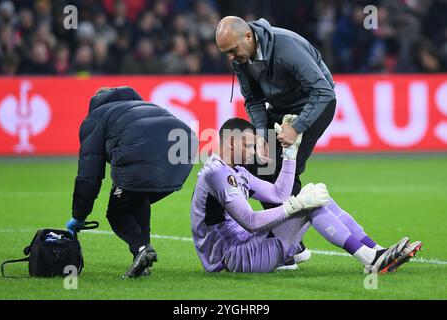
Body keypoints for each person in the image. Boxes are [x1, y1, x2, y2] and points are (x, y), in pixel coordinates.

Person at [191, 117, 422, 273]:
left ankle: (376, 251)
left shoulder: (236, 171)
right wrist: (295, 205)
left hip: (246, 248)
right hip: (232, 258)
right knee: (309, 204)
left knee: (319, 198)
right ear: (231, 142)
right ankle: (370, 260)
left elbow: (278, 193)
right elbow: (251, 221)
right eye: (249, 146)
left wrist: (290, 154)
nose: (253, 153)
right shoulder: (217, 173)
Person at [215, 15, 338, 267]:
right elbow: (254, 100)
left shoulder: (285, 47)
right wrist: (261, 135)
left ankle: (287, 244)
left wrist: (298, 128)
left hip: (314, 107)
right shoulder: (243, 58)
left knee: (284, 169)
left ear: (248, 37)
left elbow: (323, 91)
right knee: (257, 163)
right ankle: (291, 244)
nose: (230, 58)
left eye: (232, 51)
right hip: (281, 109)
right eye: (225, 53)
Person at [66, 86, 197, 278]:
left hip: (140, 153)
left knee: (118, 212)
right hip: (183, 151)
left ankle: (142, 249)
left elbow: (89, 172)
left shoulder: (96, 117)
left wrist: (79, 215)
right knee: (136, 197)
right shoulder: (145, 106)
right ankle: (142, 258)